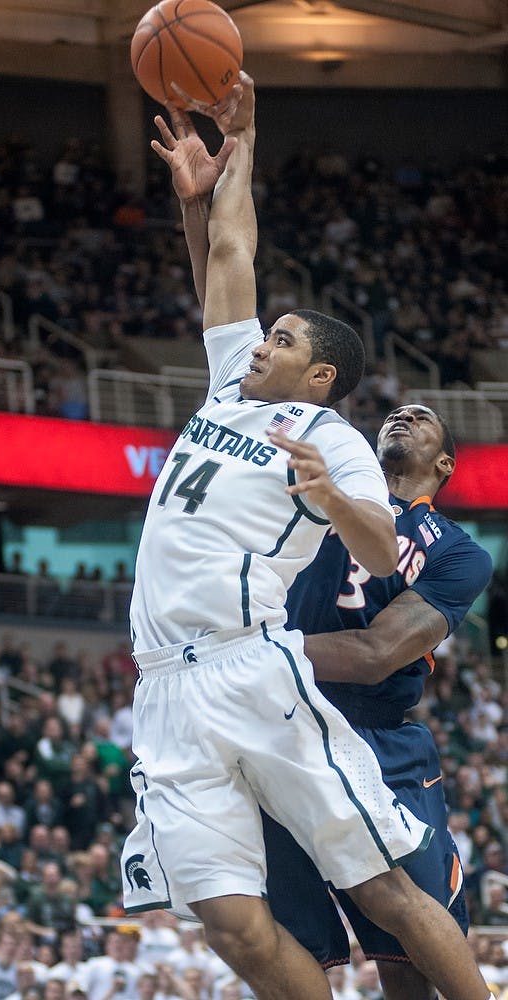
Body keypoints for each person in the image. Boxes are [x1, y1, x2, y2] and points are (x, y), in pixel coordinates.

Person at [120, 72, 493, 1000]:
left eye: (280, 340)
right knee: (236, 929)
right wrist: (231, 151)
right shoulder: (223, 388)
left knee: (384, 891)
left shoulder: (331, 440)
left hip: (253, 668)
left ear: (320, 375)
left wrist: (336, 499)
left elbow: (380, 554)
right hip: (164, 687)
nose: (260, 342)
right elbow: (231, 248)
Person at [263, 402, 493, 998]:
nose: (404, 414)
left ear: (443, 462)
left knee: (409, 948)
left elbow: (376, 653)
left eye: (422, 416)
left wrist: (247, 650)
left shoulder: (458, 553)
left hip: (376, 733)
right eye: (395, 413)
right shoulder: (319, 495)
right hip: (281, 720)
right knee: (292, 943)